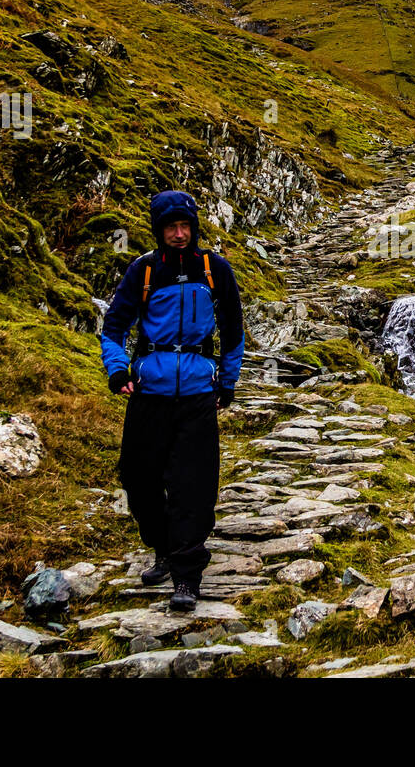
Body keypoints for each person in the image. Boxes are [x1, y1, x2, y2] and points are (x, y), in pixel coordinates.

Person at [99, 190, 244, 611]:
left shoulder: (215, 270)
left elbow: (233, 332)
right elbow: (114, 328)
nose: (179, 234)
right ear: (159, 230)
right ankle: (162, 546)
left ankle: (186, 576)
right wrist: (118, 371)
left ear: (194, 228)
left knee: (192, 485)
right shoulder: (143, 271)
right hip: (150, 393)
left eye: (185, 227)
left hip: (198, 394)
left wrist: (227, 383)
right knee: (138, 479)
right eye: (170, 227)